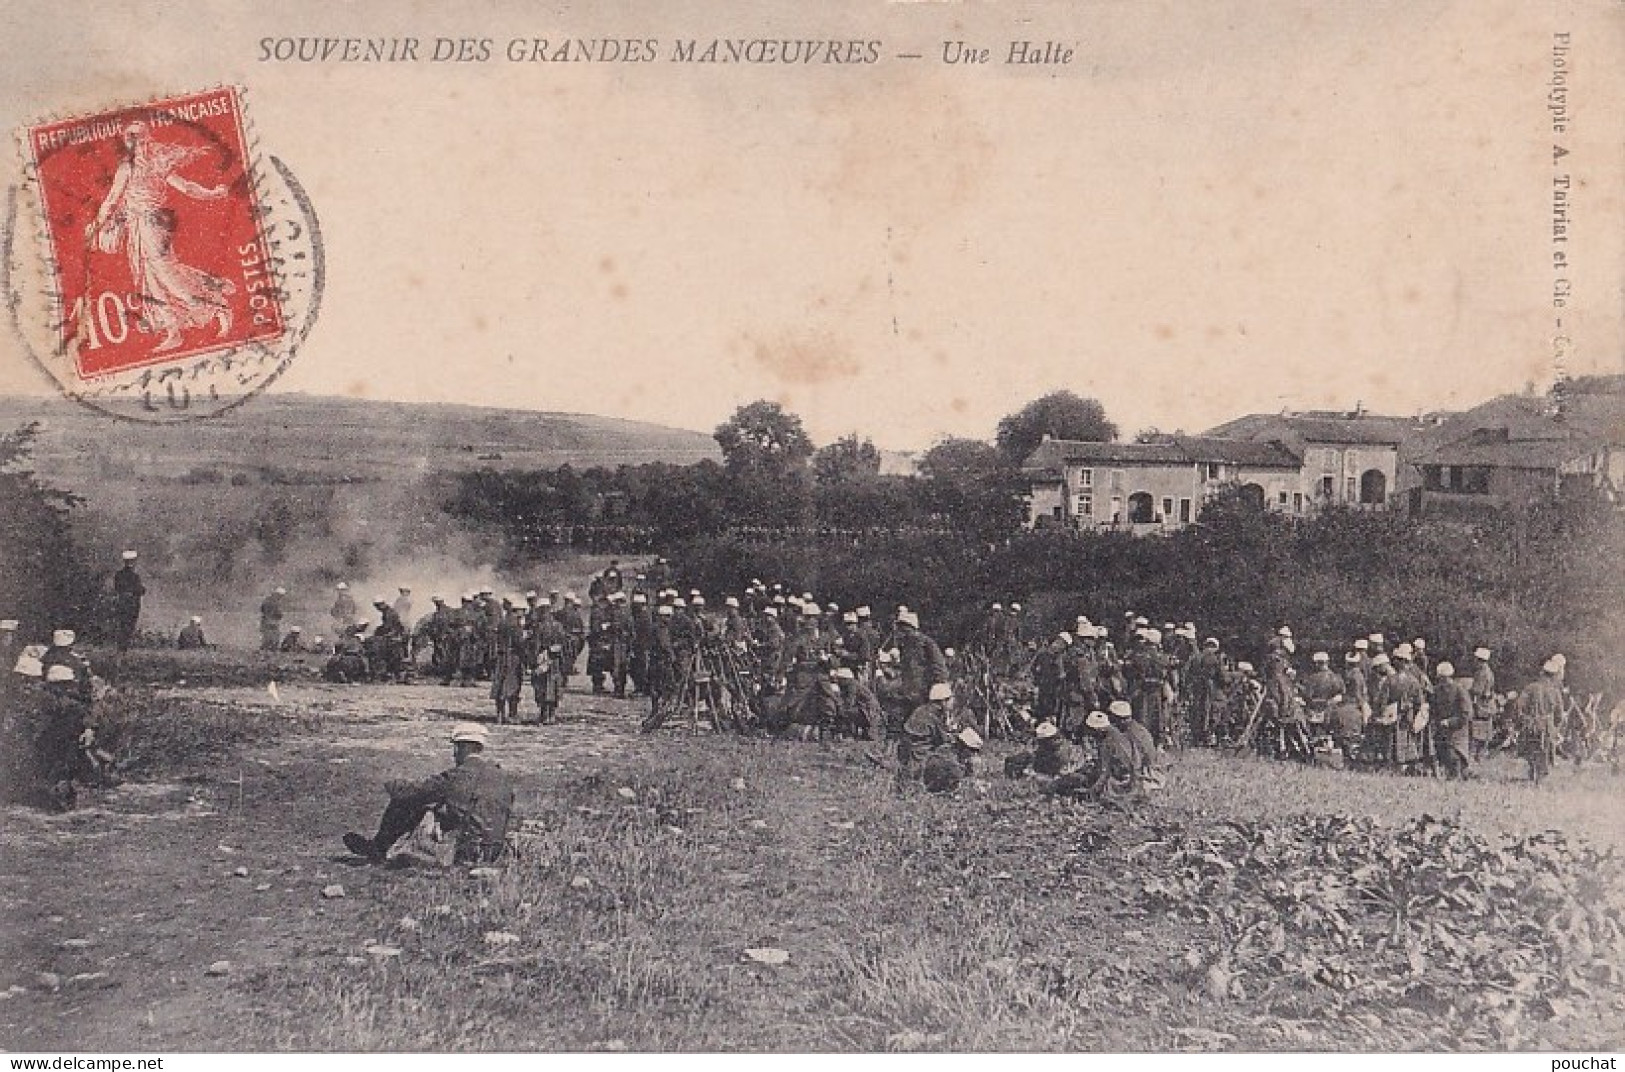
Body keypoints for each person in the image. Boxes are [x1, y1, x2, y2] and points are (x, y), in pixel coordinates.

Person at [343, 722, 514, 866]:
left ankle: (378, 849)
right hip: (494, 849)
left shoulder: (456, 776)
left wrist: (391, 783)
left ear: (458, 748)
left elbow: (409, 794)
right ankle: (381, 849)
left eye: (455, 748)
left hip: (468, 850)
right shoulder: (501, 776)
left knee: (404, 803)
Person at [1518, 656, 1565, 784]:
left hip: (1531, 723)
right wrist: (1556, 727)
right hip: (1547, 724)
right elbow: (1559, 714)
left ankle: (1533, 772)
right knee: (1544, 750)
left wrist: (1524, 718)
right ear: (1554, 675)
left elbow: (1520, 706)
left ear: (1542, 673)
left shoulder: (1530, 688)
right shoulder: (1555, 691)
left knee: (1532, 748)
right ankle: (1540, 777)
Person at [1431, 662, 1473, 779]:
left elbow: (1466, 714)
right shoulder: (1437, 691)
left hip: (1458, 729)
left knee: (1454, 754)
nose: (1442, 682)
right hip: (1442, 729)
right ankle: (1453, 775)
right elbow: (1433, 709)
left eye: (1443, 679)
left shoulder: (1460, 690)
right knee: (1443, 752)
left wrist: (1450, 722)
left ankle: (1460, 774)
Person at [110, 550, 145, 653]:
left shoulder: (118, 575)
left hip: (121, 603)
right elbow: (140, 590)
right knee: (129, 626)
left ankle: (122, 648)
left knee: (122, 626)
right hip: (132, 604)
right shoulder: (134, 576)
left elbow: (117, 588)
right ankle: (124, 648)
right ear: (132, 562)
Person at [259, 587, 287, 651]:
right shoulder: (276, 602)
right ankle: (272, 649)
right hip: (273, 621)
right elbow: (278, 613)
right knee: (275, 636)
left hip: (265, 620)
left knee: (266, 636)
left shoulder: (267, 600)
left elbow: (262, 609)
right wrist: (279, 615)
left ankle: (265, 648)